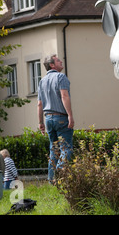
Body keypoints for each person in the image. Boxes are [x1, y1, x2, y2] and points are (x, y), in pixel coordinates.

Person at [38, 54, 75, 182]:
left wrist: (40, 122)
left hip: (48, 118)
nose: (61, 61)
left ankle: (51, 179)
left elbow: (39, 104)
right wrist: (70, 115)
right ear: (52, 65)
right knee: (66, 148)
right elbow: (64, 96)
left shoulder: (42, 81)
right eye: (58, 60)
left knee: (53, 149)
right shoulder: (61, 77)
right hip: (61, 117)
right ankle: (59, 173)